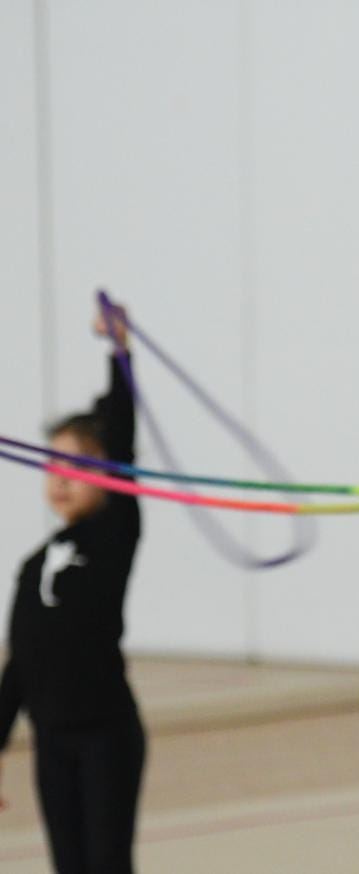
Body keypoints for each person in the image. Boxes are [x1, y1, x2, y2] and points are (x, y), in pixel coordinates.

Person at [0, 301, 146, 873]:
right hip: (52, 743)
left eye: (76, 465)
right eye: (52, 465)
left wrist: (119, 353)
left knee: (106, 864)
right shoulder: (35, 565)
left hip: (106, 736)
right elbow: (21, 663)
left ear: (106, 476)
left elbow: (124, 442)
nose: (61, 478)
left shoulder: (114, 535)